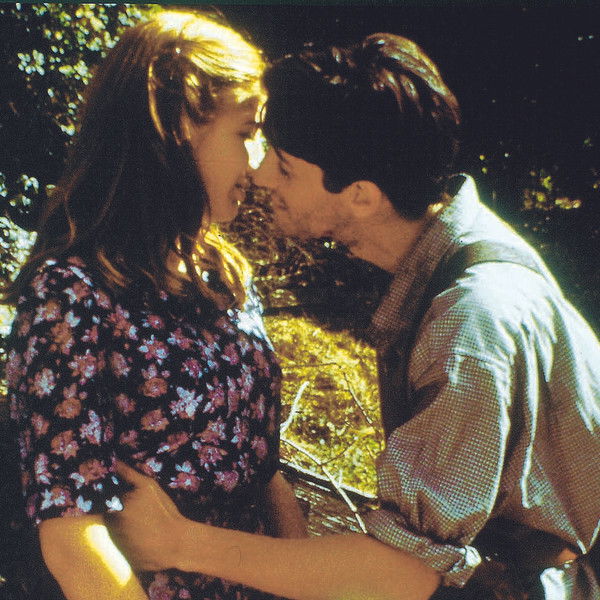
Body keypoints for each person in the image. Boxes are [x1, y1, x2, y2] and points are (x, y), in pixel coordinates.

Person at [106, 31, 600, 600]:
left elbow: (400, 574)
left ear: (361, 196)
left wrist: (178, 542)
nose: (262, 176)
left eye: (286, 167)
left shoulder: (469, 324)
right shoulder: (464, 249)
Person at [3, 9, 306, 600]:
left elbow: (267, 477)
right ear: (178, 127)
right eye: (245, 132)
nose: (258, 161)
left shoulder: (225, 278)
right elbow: (73, 538)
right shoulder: (72, 294)